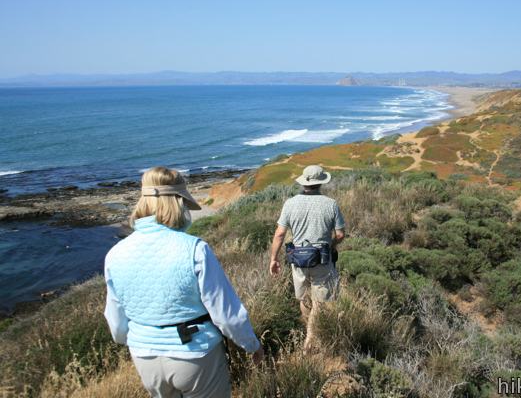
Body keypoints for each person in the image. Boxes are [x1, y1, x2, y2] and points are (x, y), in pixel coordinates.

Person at [104, 166, 263, 398]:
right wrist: (252, 345)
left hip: (144, 356)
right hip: (195, 353)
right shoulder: (194, 249)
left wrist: (141, 338)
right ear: (178, 203)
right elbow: (226, 314)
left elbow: (117, 324)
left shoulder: (115, 254)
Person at [269, 165, 345, 351]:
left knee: (304, 297)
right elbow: (341, 234)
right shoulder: (330, 204)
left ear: (305, 182)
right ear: (320, 183)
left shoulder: (290, 203)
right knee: (320, 299)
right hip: (322, 258)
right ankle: (311, 338)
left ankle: (308, 332)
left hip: (299, 259)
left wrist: (274, 259)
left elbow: (279, 234)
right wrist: (332, 245)